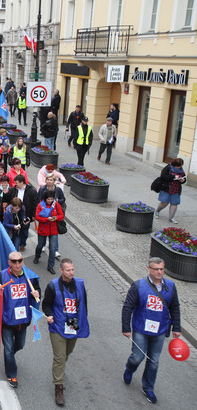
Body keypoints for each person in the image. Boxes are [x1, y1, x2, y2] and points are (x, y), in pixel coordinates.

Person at [121, 257, 182, 404]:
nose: (160, 272)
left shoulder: (171, 287)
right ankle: (130, 368)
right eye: (156, 269)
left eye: (162, 269)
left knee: (154, 361)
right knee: (137, 357)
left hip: (159, 330)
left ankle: (148, 387)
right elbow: (128, 307)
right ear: (148, 269)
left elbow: (175, 307)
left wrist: (177, 328)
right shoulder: (138, 286)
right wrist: (126, 328)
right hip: (141, 328)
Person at [42, 258, 90, 406]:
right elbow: (46, 305)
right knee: (60, 356)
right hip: (58, 326)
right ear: (61, 270)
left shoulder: (80, 284)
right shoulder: (53, 286)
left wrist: (82, 321)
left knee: (67, 353)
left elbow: (84, 305)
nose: (71, 273)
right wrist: (49, 315)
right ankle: (58, 387)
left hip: (73, 325)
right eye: (68, 270)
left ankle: (60, 372)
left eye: (73, 270)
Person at [0, 251, 40, 389]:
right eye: (14, 261)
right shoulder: (2, 276)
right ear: (9, 263)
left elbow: (37, 293)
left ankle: (10, 358)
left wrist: (37, 293)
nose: (17, 264)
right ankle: (11, 374)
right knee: (8, 350)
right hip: (7, 321)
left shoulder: (30, 276)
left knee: (19, 345)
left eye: (20, 261)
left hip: (23, 321)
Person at [34, 190, 64, 275]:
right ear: (45, 199)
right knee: (40, 245)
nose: (50, 201)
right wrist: (46, 219)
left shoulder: (56, 205)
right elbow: (37, 217)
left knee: (52, 249)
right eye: (48, 199)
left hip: (53, 230)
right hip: (43, 230)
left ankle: (50, 266)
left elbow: (61, 215)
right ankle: (37, 256)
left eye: (51, 199)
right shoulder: (40, 205)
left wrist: (56, 218)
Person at [154, 158, 186, 224]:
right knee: (164, 203)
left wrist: (183, 180)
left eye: (180, 166)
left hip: (176, 189)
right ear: (174, 165)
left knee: (174, 203)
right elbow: (163, 176)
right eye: (178, 166)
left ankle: (171, 218)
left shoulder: (181, 170)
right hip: (166, 188)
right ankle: (157, 211)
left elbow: (184, 177)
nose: (179, 167)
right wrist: (174, 177)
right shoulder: (168, 168)